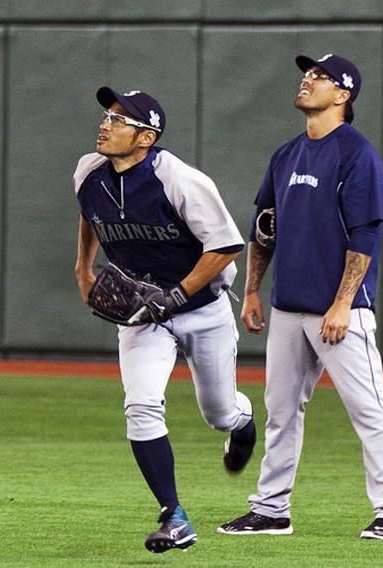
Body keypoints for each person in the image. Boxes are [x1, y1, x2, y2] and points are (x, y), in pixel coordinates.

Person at [218, 54, 383, 540]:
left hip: (338, 311)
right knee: (280, 412)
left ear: (343, 96)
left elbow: (364, 236)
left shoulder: (357, 155)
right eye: (307, 73)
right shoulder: (286, 154)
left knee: (369, 409)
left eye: (320, 77)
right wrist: (253, 291)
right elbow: (265, 227)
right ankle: (270, 510)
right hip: (287, 308)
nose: (308, 80)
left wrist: (344, 303)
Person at [74, 87, 256, 553]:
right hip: (141, 313)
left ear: (146, 137)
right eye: (106, 115)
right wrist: (83, 268)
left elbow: (225, 246)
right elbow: (90, 215)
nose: (105, 123)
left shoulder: (180, 180)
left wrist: (178, 293)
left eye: (119, 119)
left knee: (218, 412)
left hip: (203, 310)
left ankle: (242, 421)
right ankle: (174, 515)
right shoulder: (88, 172)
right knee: (140, 405)